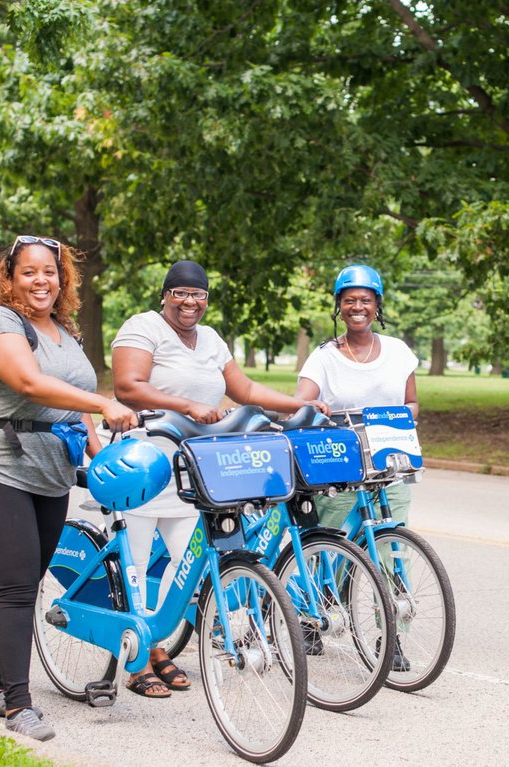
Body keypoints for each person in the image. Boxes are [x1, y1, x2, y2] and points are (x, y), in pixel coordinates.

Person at [111, 260, 329, 698]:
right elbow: (127, 386)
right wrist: (187, 406)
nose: (190, 301)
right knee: (132, 563)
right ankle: (140, 660)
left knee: (186, 563)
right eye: (181, 293)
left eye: (199, 295)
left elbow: (244, 390)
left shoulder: (210, 340)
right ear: (165, 295)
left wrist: (297, 406)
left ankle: (156, 645)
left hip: (193, 468)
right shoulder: (143, 327)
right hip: (144, 463)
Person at [0, 236, 137, 742]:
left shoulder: (64, 331)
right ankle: (18, 705)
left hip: (50, 470)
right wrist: (103, 403)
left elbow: (71, 399)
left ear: (63, 279)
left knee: (28, 583)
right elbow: (30, 384)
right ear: (9, 277)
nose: (41, 281)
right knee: (14, 586)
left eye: (50, 272)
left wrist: (99, 448)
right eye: (29, 272)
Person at [293, 264, 419, 669]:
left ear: (377, 305)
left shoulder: (398, 351)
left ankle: (392, 635)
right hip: (340, 462)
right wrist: (313, 407)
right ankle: (312, 617)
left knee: (390, 547)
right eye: (349, 300)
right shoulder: (324, 356)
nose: (357, 306)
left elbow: (413, 403)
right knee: (324, 543)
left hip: (389, 462)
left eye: (365, 299)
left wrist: (398, 418)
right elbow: (303, 401)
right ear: (339, 307)